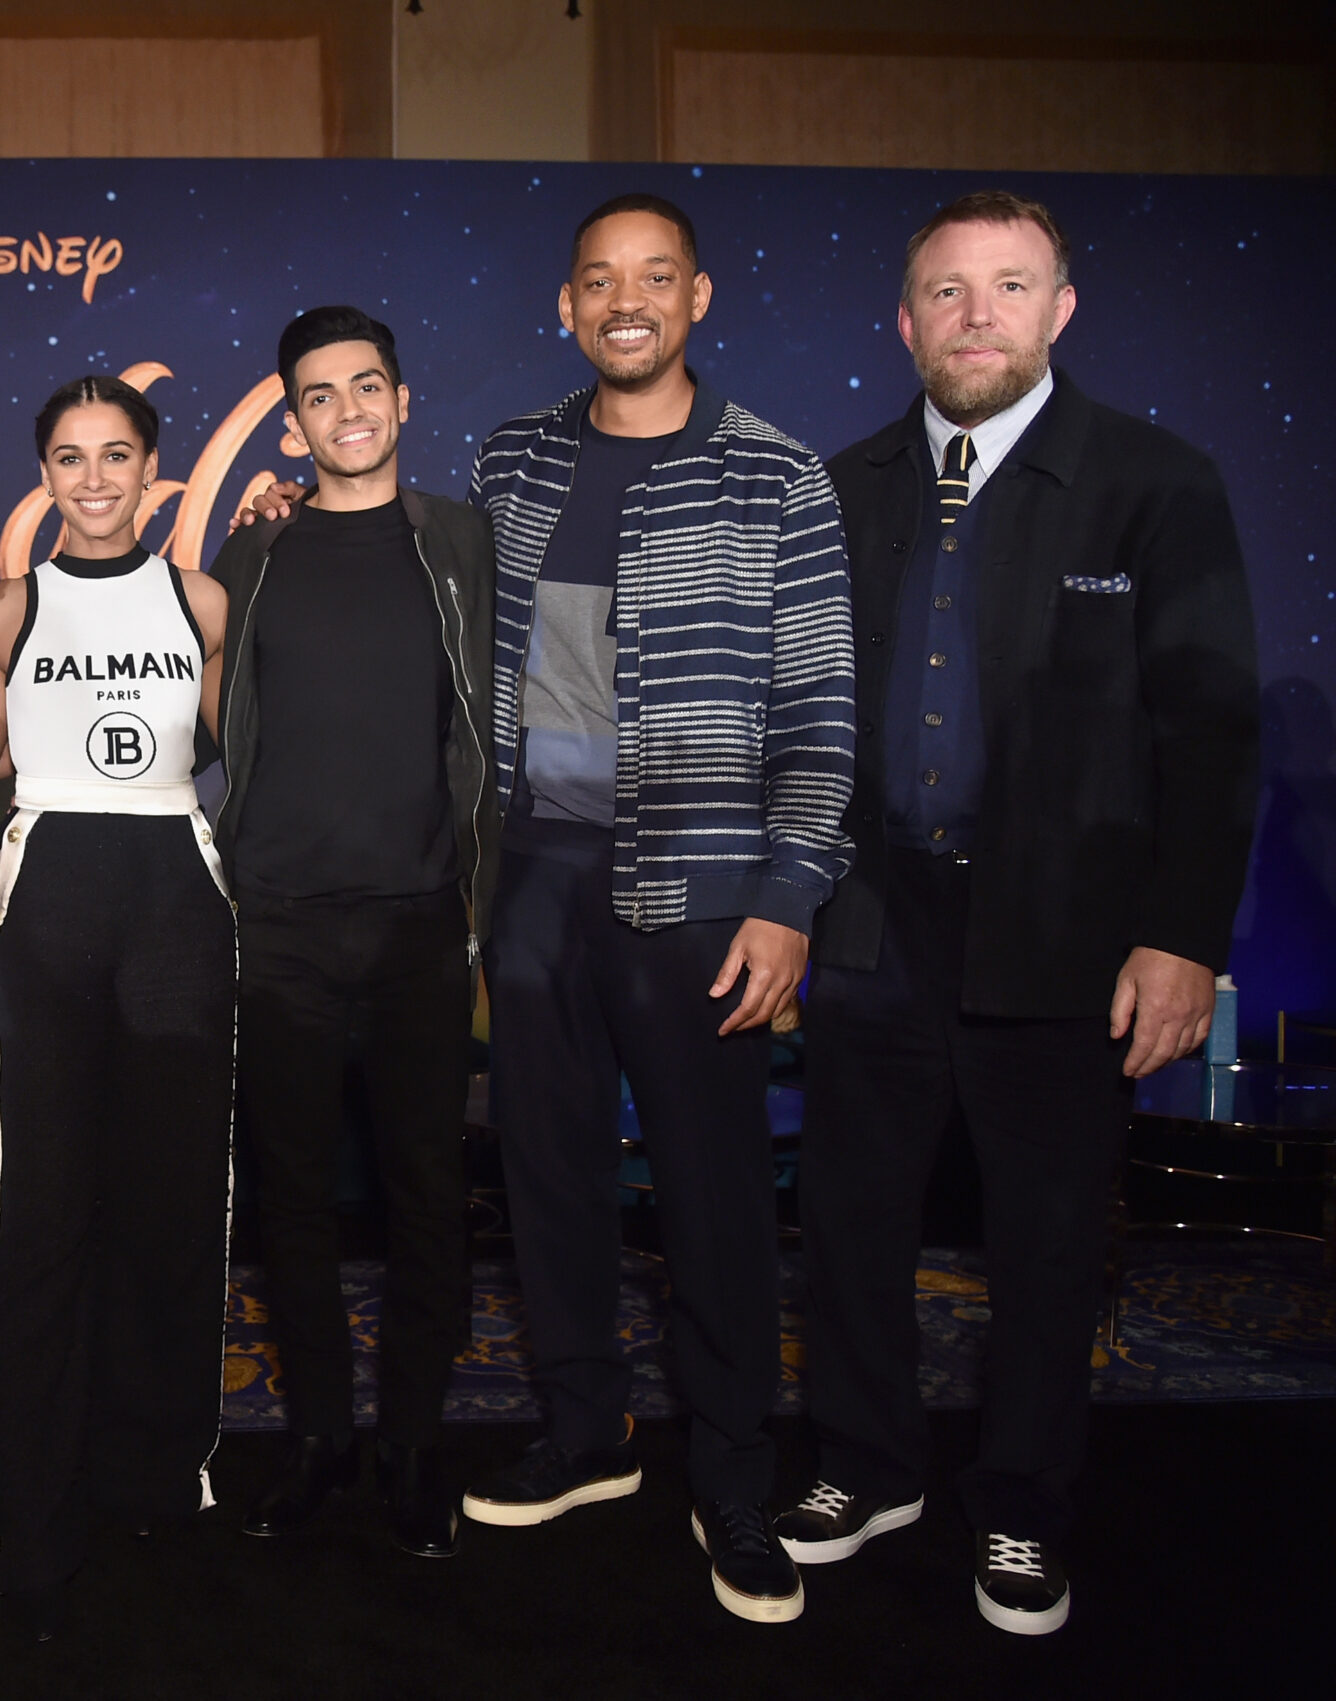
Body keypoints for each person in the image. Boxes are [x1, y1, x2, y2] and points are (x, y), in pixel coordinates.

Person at [775, 191, 1258, 1636]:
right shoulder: (842, 484)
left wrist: (1183, 936)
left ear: (1060, 309)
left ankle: (1026, 1504)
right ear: (904, 321)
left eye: (1007, 286)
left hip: (1068, 932)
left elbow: (1215, 730)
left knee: (1047, 1241)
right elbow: (796, 718)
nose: (974, 313)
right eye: (946, 291)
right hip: (875, 920)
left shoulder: (1156, 483)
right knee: (852, 1220)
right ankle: (868, 1465)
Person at [458, 196, 854, 1626]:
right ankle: (585, 1431)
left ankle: (734, 1470)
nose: (627, 302)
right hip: (537, 884)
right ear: (568, 305)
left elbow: (818, 706)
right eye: (599, 281)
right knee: (550, 1181)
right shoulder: (511, 460)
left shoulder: (777, 480)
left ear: (698, 299)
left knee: (715, 1199)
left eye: (655, 279)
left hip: (703, 893)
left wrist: (790, 892)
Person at [211, 307, 497, 1561]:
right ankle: (321, 1437)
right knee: (293, 1205)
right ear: (295, 420)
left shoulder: (464, 542)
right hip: (275, 929)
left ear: (401, 396)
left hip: (421, 927)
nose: (347, 411)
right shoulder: (253, 554)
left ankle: (414, 1447)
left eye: (365, 386)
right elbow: (210, 717)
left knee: (429, 1197)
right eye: (319, 396)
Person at [0, 375, 234, 1635]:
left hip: (177, 903)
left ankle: (157, 1482)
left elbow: (246, 755)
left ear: (153, 467)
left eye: (115, 456)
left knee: (171, 1206)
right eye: (68, 458)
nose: (94, 479)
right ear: (45, 477)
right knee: (44, 1214)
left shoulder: (205, 600)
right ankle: (40, 1512)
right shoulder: (5, 612)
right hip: (49, 907)